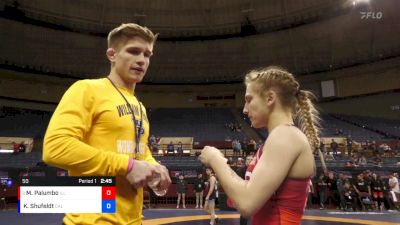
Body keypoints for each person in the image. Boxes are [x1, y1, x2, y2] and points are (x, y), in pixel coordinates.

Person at [43, 23, 171, 225]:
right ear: (112, 55)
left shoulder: (139, 106)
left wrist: (154, 166)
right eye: (133, 51)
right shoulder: (87, 89)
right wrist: (127, 166)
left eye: (147, 55)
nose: (141, 60)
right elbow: (55, 148)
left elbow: (138, 150)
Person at [199, 66, 325, 224]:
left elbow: (247, 204)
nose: (244, 110)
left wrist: (215, 160)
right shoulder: (279, 138)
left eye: (249, 99)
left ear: (270, 98)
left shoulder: (285, 136)